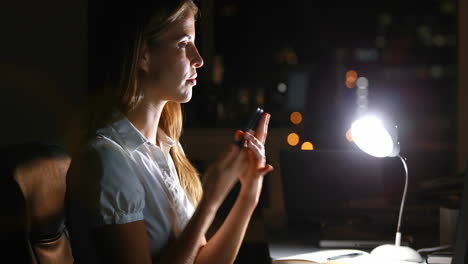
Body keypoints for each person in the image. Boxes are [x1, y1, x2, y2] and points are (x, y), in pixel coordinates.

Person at [65, 0, 273, 263]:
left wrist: (249, 192)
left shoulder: (166, 147)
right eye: (184, 44)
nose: (198, 59)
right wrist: (210, 200)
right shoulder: (107, 161)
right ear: (143, 55)